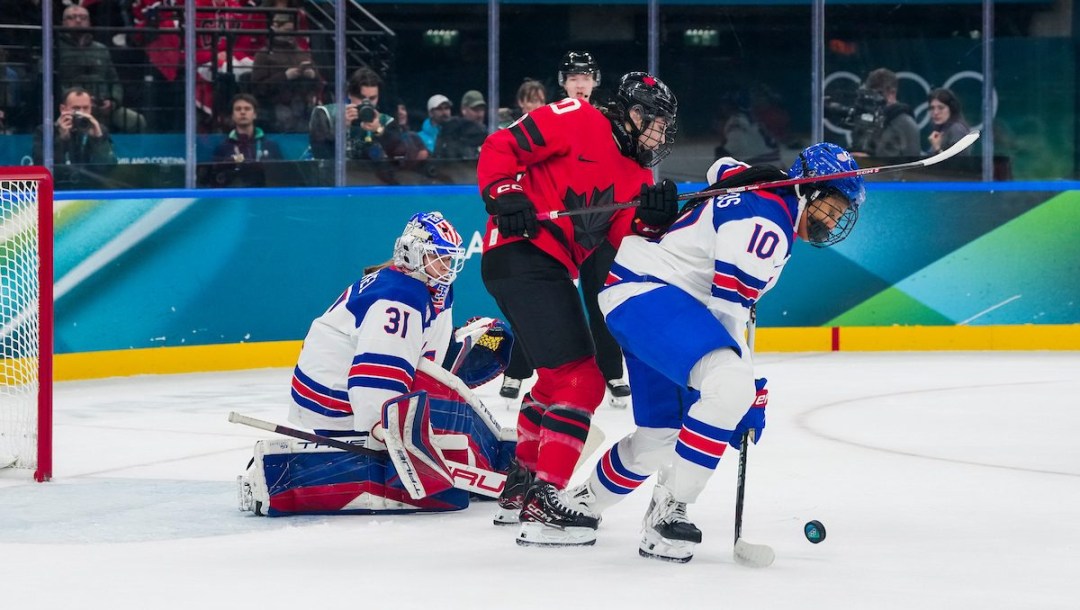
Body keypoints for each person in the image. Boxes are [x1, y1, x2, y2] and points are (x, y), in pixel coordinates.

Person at [567, 142, 866, 561]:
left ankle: (576, 506)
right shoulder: (767, 223)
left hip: (648, 299)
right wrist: (746, 390)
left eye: (838, 214)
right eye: (830, 208)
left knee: (660, 438)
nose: (832, 221)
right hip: (650, 295)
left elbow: (722, 167)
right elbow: (726, 315)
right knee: (729, 386)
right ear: (809, 189)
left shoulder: (765, 190)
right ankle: (671, 508)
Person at [478, 71, 680, 545]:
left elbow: (623, 240)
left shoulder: (638, 175)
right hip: (520, 252)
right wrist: (503, 191)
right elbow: (500, 146)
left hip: (542, 266)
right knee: (582, 379)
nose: (659, 136)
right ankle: (547, 499)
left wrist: (653, 222)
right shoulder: (576, 117)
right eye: (655, 124)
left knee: (555, 381)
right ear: (632, 113)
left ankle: (521, 488)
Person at [238, 211, 516, 515]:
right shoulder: (399, 297)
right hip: (334, 399)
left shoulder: (431, 287)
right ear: (413, 252)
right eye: (438, 257)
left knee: (450, 395)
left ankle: (498, 456)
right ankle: (287, 478)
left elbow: (422, 357)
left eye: (449, 259)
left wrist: (456, 350)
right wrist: (383, 426)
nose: (446, 267)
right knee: (436, 424)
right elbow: (376, 369)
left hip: (341, 387)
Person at [499, 52, 631, 408]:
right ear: (563, 82)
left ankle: (613, 372)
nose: (580, 84)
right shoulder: (551, 117)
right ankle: (517, 371)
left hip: (598, 224)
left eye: (586, 77)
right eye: (574, 77)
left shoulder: (609, 120)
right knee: (541, 302)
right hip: (558, 227)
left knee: (600, 299)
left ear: (595, 81)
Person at [55, 4, 146, 134]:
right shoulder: (54, 49)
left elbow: (114, 81)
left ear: (89, 22)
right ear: (63, 23)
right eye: (72, 17)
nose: (78, 21)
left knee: (137, 121)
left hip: (103, 106)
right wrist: (76, 101)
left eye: (83, 18)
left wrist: (112, 102)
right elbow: (52, 82)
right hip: (73, 108)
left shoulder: (101, 49)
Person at [307, 67, 411, 162]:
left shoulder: (386, 121)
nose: (367, 103)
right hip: (331, 175)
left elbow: (400, 154)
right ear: (349, 94)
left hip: (371, 175)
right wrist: (340, 129)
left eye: (372, 98)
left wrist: (379, 130)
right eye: (361, 98)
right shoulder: (325, 114)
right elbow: (320, 154)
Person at [249, 10, 323, 132]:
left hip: (302, 104)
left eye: (293, 31)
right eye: (287, 30)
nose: (290, 35)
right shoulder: (263, 54)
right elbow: (257, 88)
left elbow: (319, 83)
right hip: (275, 104)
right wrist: (285, 76)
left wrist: (312, 75)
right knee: (286, 117)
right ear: (275, 28)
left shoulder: (302, 53)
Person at [31, 87, 117, 166]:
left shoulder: (99, 130)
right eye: (76, 108)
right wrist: (61, 139)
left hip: (90, 178)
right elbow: (41, 165)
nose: (82, 113)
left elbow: (109, 167)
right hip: (60, 178)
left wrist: (98, 139)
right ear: (63, 109)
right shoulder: (45, 131)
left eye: (86, 108)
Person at [849, 68, 920, 157]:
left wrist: (870, 161)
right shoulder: (871, 119)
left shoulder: (906, 123)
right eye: (870, 94)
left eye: (879, 94)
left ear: (893, 92)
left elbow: (913, 161)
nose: (874, 98)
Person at [212, 93, 284, 162]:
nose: (243, 112)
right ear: (232, 116)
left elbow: (280, 169)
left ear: (255, 114)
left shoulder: (270, 146)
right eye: (238, 109)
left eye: (247, 109)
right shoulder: (223, 148)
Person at [434, 90, 489, 160]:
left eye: (482, 109)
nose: (480, 114)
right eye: (475, 109)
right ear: (463, 110)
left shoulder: (488, 134)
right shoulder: (450, 133)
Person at [926, 87, 971, 156]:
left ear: (951, 109)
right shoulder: (941, 128)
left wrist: (937, 149)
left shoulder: (957, 129)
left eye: (941, 108)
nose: (935, 112)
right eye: (932, 108)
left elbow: (959, 161)